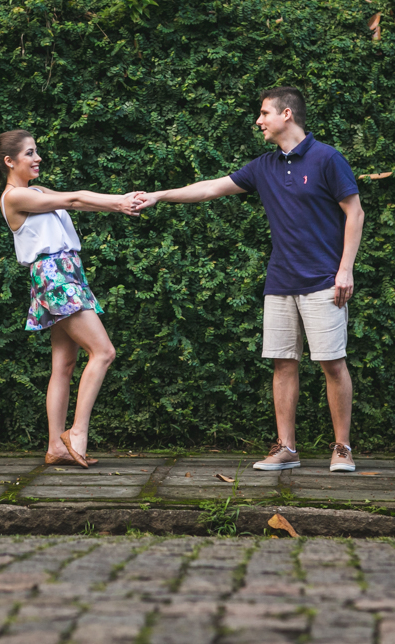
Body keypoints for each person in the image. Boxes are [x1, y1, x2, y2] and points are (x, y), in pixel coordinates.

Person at [133, 88, 365, 472]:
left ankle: (342, 448)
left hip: (325, 280)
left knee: (333, 364)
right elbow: (211, 188)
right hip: (280, 282)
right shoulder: (263, 166)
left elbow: (355, 213)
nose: (258, 121)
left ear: (286, 114)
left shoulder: (327, 158)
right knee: (283, 364)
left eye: (264, 113)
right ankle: (286, 449)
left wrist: (345, 270)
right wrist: (159, 195)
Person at [0, 129, 142, 468]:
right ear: (9, 161)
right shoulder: (14, 197)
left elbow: (79, 200)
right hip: (55, 276)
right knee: (104, 352)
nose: (37, 157)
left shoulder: (36, 191)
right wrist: (118, 202)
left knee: (64, 365)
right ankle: (77, 433)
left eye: (36, 151)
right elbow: (73, 200)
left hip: (66, 272)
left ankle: (56, 446)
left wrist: (120, 202)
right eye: (29, 153)